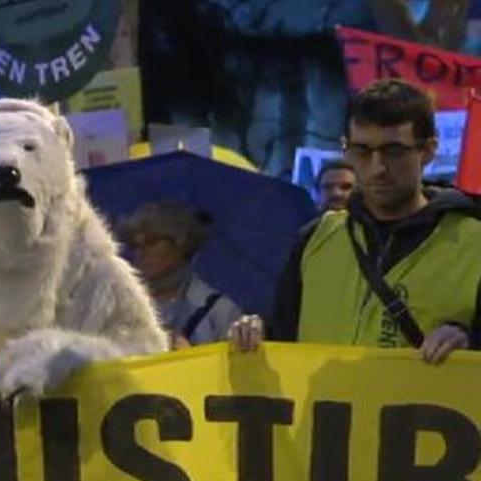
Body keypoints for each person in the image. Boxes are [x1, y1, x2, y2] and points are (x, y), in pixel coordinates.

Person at [230, 78, 481, 364]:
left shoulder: (473, 242)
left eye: (394, 151)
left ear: (428, 150)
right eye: (362, 151)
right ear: (346, 149)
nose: (378, 168)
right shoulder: (316, 238)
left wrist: (469, 341)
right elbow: (282, 336)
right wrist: (255, 332)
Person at [120, 201, 242, 347]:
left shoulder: (219, 311)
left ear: (182, 244)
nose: (140, 254)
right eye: (135, 246)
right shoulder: (122, 306)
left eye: (152, 242)